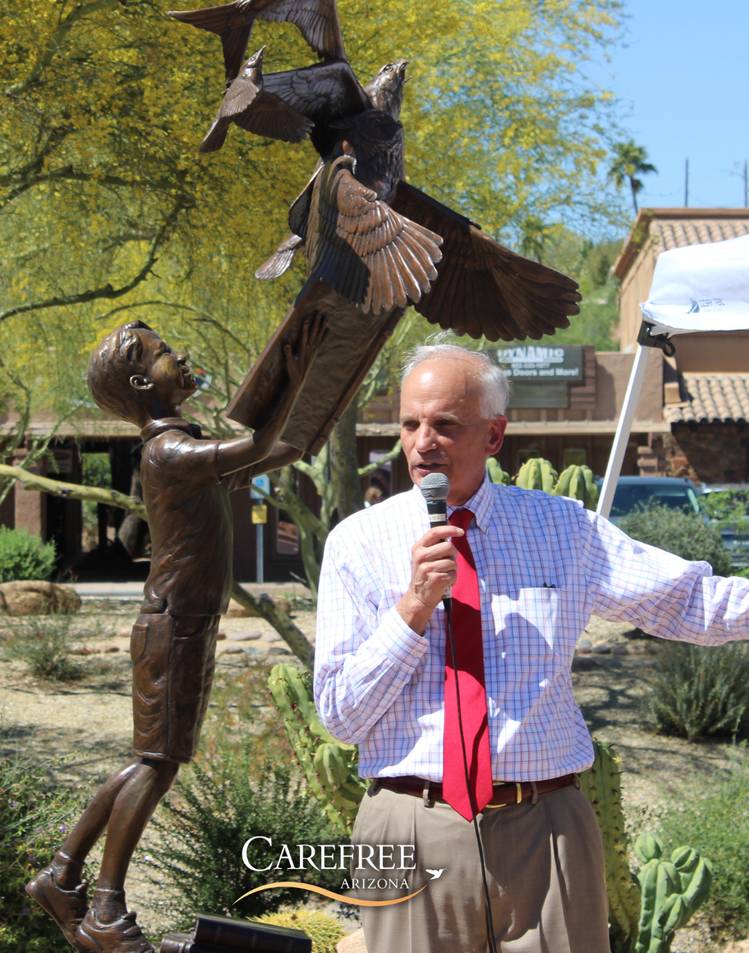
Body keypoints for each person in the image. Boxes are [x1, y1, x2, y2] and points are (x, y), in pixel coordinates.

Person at [314, 341, 749, 953]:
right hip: (411, 824)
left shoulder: (564, 528)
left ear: (494, 435)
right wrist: (412, 610)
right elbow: (339, 714)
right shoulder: (356, 543)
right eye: (410, 424)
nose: (421, 443)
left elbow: (687, 601)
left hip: (546, 827)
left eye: (445, 424)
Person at [27, 316, 324, 953]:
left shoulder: (183, 450)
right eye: (165, 354)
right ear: (142, 381)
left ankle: (62, 875)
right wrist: (293, 382)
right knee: (156, 766)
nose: (180, 357)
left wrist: (306, 412)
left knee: (152, 762)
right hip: (175, 627)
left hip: (187, 624)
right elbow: (250, 448)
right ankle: (102, 908)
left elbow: (266, 452)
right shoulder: (166, 451)